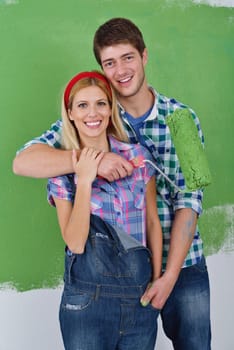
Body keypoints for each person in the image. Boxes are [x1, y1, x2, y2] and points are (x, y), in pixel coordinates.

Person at [13, 18, 211, 350]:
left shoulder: (181, 119)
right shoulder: (95, 113)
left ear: (144, 56)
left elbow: (189, 200)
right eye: (110, 62)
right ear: (102, 70)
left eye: (128, 57)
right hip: (113, 275)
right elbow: (23, 161)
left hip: (183, 264)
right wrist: (92, 160)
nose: (121, 69)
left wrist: (168, 274)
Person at [46, 70, 162, 350]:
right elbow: (74, 242)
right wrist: (84, 178)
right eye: (82, 105)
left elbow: (152, 223)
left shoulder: (138, 158)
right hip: (86, 304)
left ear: (111, 109)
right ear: (71, 113)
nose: (92, 113)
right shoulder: (61, 171)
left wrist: (157, 282)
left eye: (101, 103)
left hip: (140, 301)